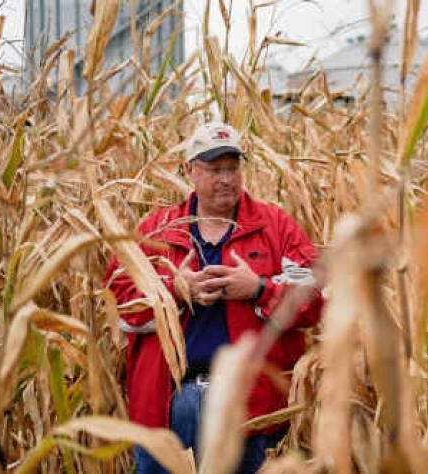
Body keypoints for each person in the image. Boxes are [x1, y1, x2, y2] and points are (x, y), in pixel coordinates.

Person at [104, 121, 324, 473]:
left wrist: (258, 289)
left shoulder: (275, 227)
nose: (226, 178)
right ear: (189, 170)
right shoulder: (155, 231)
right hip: (166, 407)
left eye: (233, 168)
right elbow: (120, 304)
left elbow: (316, 296)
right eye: (214, 169)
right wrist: (177, 290)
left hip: (248, 407)